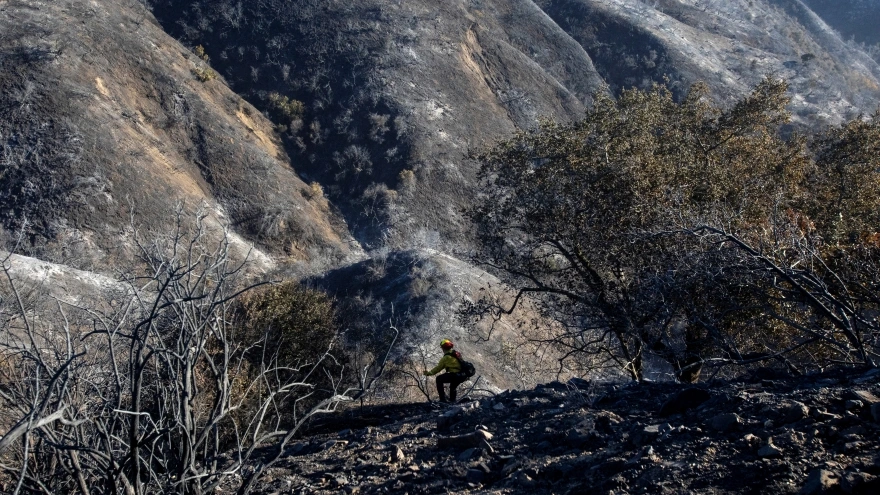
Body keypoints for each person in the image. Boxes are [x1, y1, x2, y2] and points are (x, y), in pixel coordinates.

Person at [423, 339, 466, 403]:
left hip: (454, 374)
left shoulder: (446, 358)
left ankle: (442, 400)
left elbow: (438, 368)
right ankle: (453, 401)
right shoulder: (456, 354)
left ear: (443, 348)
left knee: (439, 379)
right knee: (453, 387)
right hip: (462, 375)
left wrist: (429, 373)